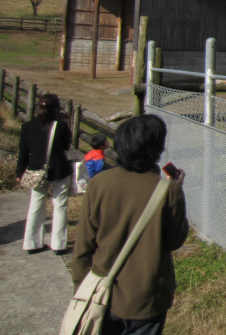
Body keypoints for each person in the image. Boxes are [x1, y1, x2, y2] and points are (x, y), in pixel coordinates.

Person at [72, 114, 189, 335]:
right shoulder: (168, 190)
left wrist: (81, 288)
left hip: (102, 293)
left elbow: (83, 245)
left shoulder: (99, 184)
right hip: (147, 296)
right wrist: (177, 191)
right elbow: (175, 241)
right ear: (156, 149)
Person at [16, 93, 73, 255]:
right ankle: (59, 244)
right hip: (59, 169)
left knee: (36, 205)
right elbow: (66, 146)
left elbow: (23, 152)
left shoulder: (27, 127)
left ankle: (31, 243)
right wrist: (64, 123)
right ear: (56, 109)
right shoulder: (60, 126)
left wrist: (20, 172)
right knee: (60, 205)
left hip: (36, 170)